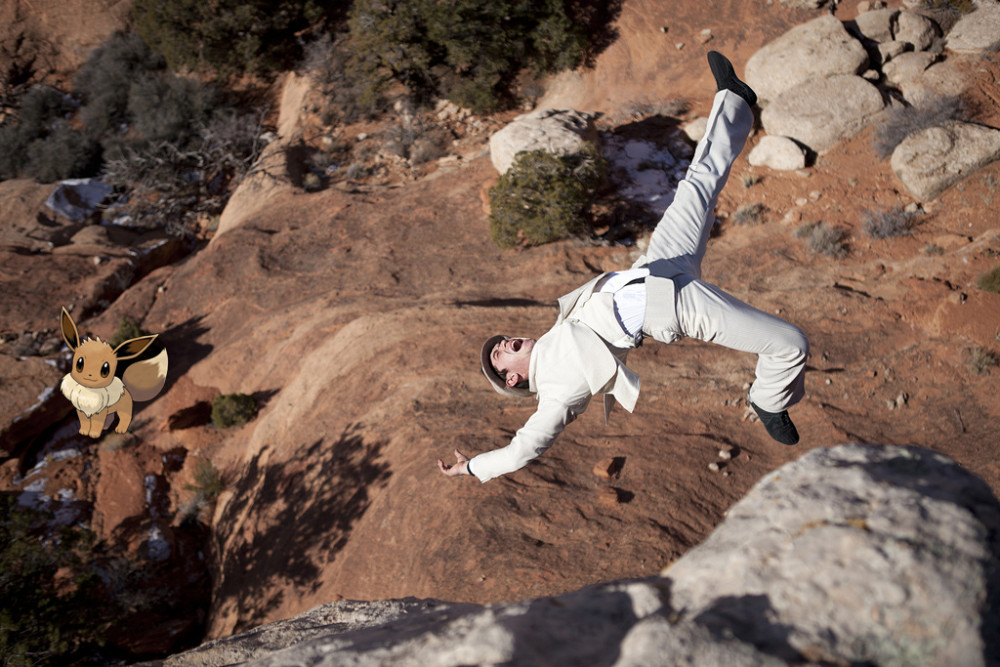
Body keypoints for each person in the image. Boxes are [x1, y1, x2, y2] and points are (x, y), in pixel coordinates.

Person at [438, 52, 809, 483]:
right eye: (502, 355)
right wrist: (471, 466)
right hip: (671, 307)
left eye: (501, 343)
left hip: (655, 266)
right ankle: (768, 398)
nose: (504, 344)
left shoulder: (558, 330)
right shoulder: (557, 393)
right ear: (516, 379)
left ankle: (733, 99)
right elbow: (524, 448)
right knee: (789, 344)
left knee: (697, 185)